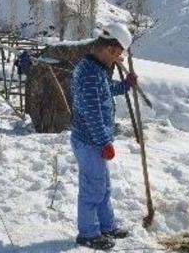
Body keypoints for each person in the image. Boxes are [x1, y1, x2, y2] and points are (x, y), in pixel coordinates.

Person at [70, 23, 138, 250]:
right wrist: (103, 142)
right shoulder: (88, 73)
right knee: (93, 188)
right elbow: (92, 113)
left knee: (103, 187)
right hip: (89, 142)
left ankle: (106, 226)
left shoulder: (96, 69)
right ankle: (88, 233)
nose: (117, 59)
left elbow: (106, 89)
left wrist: (125, 85)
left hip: (94, 141)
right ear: (109, 49)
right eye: (118, 54)